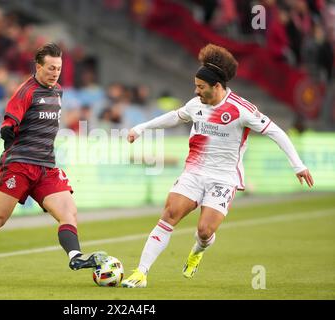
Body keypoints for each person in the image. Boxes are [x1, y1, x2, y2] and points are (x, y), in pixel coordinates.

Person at [121, 43, 314, 288]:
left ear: (217, 86)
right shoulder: (196, 105)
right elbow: (174, 117)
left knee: (204, 231)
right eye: (196, 86)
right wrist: (141, 128)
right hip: (194, 171)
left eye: (201, 87)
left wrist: (297, 165)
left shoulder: (241, 109)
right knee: (169, 215)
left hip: (224, 178)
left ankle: (198, 251)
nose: (196, 91)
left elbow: (276, 132)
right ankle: (141, 273)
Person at [0, 43, 107, 282]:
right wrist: (8, 130)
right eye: (50, 68)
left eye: (58, 68)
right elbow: (10, 120)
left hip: (46, 166)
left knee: (69, 212)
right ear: (38, 67)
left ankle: (75, 256)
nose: (55, 72)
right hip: (19, 166)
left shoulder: (58, 91)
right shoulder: (26, 91)